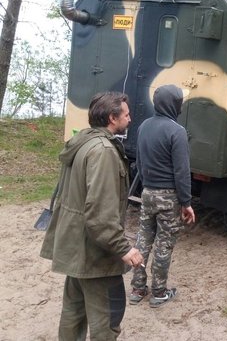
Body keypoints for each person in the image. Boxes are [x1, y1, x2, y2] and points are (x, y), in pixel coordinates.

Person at [40, 91, 144, 340]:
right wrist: (124, 249)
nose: (130, 119)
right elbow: (100, 213)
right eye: (126, 115)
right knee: (107, 320)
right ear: (112, 117)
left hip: (76, 248)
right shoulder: (103, 151)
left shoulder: (83, 143)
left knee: (73, 314)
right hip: (95, 256)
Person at [129, 84, 196, 308]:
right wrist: (186, 202)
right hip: (168, 197)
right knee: (164, 245)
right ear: (174, 104)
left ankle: (138, 288)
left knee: (143, 239)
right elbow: (182, 171)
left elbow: (138, 161)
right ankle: (159, 292)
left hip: (147, 192)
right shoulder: (176, 131)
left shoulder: (143, 127)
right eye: (180, 101)